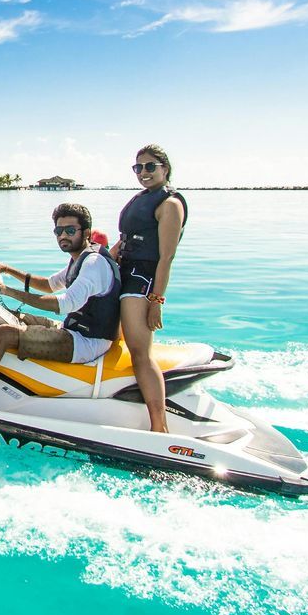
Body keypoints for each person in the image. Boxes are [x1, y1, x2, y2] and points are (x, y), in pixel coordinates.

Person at [0, 203, 120, 399]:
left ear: (87, 232)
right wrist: (7, 269)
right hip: (73, 329)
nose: (63, 236)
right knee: (4, 315)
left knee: (5, 333)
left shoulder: (93, 263)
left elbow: (63, 304)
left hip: (87, 343)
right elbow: (49, 285)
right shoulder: (80, 258)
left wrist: (7, 290)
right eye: (58, 230)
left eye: (70, 230)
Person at [115, 144, 186, 433]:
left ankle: (160, 427)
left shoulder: (170, 204)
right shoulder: (141, 198)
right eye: (138, 167)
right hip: (124, 273)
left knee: (140, 353)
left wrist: (156, 299)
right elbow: (126, 239)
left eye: (149, 166)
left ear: (164, 169)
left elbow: (167, 256)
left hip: (141, 282)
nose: (143, 172)